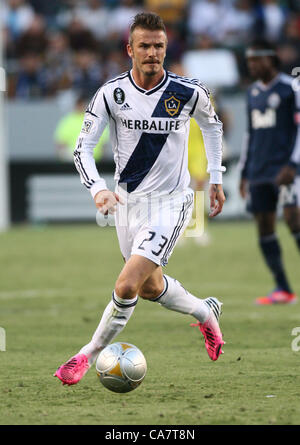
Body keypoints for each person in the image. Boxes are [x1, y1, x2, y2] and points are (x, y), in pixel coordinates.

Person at [54, 12, 226, 386]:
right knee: (149, 287)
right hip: (127, 204)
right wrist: (98, 188)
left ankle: (86, 355)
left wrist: (216, 178)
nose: (152, 53)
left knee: (127, 285)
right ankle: (205, 313)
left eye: (159, 46)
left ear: (167, 48)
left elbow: (213, 126)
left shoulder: (188, 92)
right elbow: (81, 149)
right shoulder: (110, 94)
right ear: (129, 49)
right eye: (145, 46)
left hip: (172, 202)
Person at [239, 39, 300, 305]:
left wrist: (294, 165)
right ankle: (283, 288)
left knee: (294, 219)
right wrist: (243, 172)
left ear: (271, 60)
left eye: (256, 60)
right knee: (264, 227)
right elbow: (249, 135)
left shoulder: (290, 88)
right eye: (249, 60)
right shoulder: (252, 93)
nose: (251, 65)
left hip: (285, 170)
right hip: (259, 171)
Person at [54, 93, 108, 162]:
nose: (81, 106)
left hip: (94, 160)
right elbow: (60, 143)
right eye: (79, 104)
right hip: (74, 161)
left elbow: (104, 144)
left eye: (82, 103)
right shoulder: (68, 120)